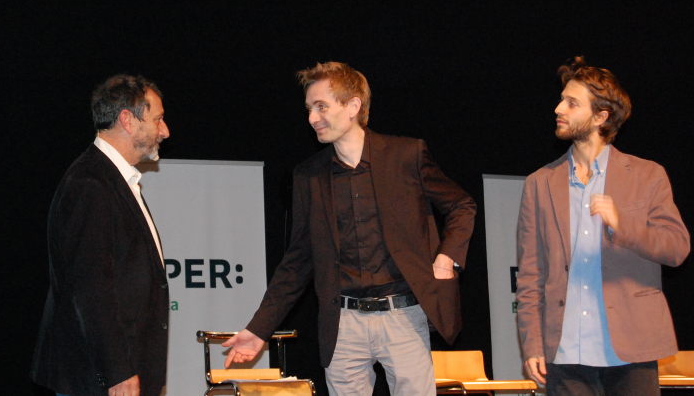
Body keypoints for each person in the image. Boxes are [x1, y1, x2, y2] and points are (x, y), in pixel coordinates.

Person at [223, 62, 476, 396]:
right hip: (342, 324)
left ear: (353, 106)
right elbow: (297, 262)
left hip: (403, 316)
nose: (312, 118)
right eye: (309, 109)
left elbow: (461, 205)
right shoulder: (308, 176)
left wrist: (446, 258)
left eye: (321, 106)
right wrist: (259, 329)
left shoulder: (406, 155)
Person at [516, 57, 690, 396]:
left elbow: (677, 249)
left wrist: (623, 224)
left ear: (601, 117)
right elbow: (530, 273)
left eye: (572, 103)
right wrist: (533, 343)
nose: (558, 109)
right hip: (565, 350)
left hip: (631, 345)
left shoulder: (647, 175)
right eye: (562, 100)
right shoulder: (540, 182)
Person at [31, 75, 171, 396]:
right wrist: (117, 370)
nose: (165, 131)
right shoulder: (90, 184)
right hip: (98, 380)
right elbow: (91, 288)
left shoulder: (114, 179)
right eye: (158, 119)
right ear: (128, 120)